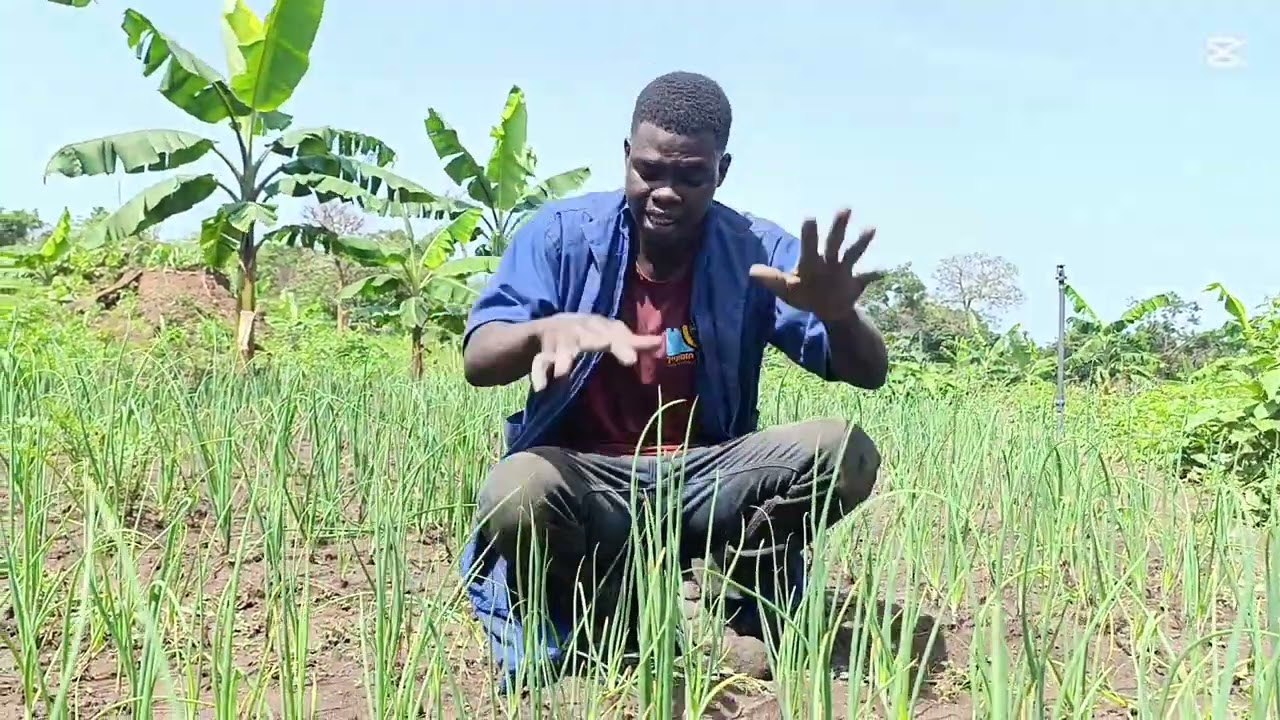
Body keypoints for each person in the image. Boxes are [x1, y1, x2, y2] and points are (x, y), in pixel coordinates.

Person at [458, 70, 888, 693]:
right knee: (516, 489)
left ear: (722, 170)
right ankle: (606, 609)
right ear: (626, 155)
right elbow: (478, 357)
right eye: (650, 171)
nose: (666, 192)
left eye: (691, 177)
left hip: (704, 479)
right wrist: (541, 331)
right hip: (590, 482)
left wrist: (838, 312)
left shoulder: (755, 251)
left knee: (842, 450)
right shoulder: (561, 235)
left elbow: (868, 373)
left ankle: (722, 591)